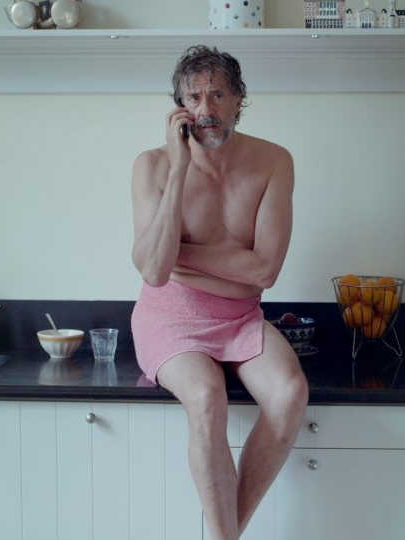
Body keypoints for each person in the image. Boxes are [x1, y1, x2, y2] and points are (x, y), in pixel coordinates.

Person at [129, 45, 308, 540]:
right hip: (169, 319)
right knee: (207, 397)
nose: (205, 109)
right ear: (179, 107)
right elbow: (154, 274)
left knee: (290, 393)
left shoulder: (273, 161)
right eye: (193, 97)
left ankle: (222, 535)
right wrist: (180, 165)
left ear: (238, 100)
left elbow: (265, 271)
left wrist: (180, 256)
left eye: (217, 95)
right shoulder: (152, 166)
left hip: (242, 317)